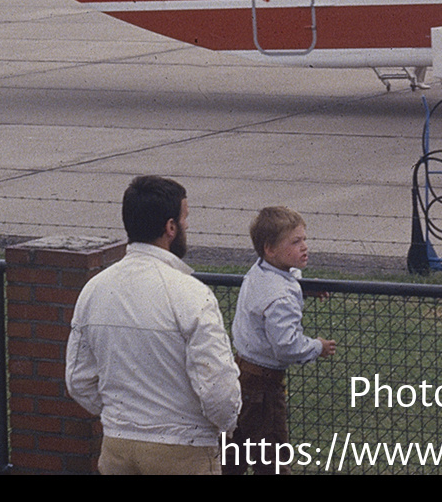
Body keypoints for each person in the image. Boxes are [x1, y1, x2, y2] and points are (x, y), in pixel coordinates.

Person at [65, 175, 241, 475]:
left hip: (117, 446)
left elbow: (78, 381)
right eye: (185, 219)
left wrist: (122, 418)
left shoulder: (94, 289)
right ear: (170, 228)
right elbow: (218, 389)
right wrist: (225, 424)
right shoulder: (192, 294)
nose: (188, 227)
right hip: (184, 448)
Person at [227, 206, 336, 475]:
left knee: (233, 452)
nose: (305, 247)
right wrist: (317, 347)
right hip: (264, 387)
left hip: (239, 376)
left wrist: (302, 286)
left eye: (304, 239)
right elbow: (287, 347)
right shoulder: (281, 299)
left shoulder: (261, 270)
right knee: (272, 458)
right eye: (295, 242)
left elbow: (284, 277)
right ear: (270, 249)